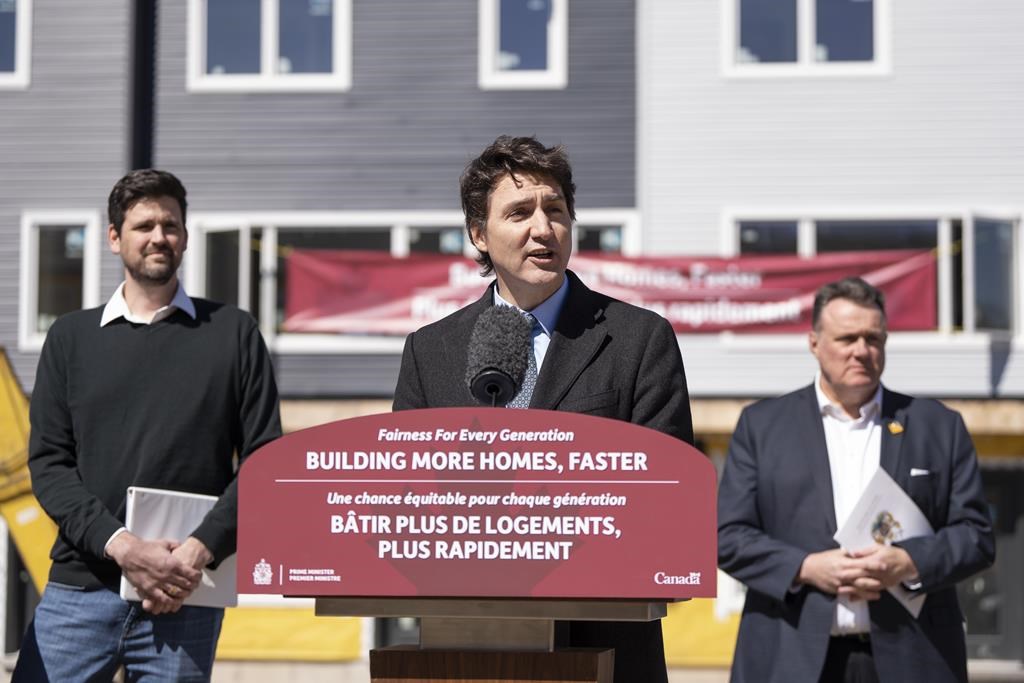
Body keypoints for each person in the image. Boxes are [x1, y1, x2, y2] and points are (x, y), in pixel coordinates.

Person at [393, 135, 693, 683]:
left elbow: (664, 498)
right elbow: (407, 495)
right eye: (519, 212)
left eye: (555, 210)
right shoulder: (430, 350)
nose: (542, 228)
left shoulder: (638, 340)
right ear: (478, 234)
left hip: (607, 645)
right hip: (468, 644)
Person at [15, 169, 281, 681]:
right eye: (143, 226)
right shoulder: (70, 339)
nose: (159, 236)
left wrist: (195, 554)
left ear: (184, 234)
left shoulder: (234, 333)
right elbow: (48, 465)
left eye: (171, 224)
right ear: (114, 238)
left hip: (188, 594)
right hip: (81, 589)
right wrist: (126, 548)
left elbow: (264, 461)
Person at [717, 276, 994, 683]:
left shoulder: (939, 427)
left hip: (914, 657)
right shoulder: (762, 427)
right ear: (814, 343)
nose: (862, 351)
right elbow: (727, 535)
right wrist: (807, 567)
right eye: (847, 339)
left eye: (874, 338)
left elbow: (976, 535)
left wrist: (909, 561)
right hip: (791, 657)